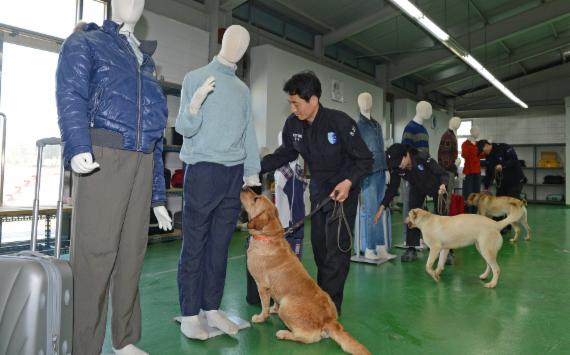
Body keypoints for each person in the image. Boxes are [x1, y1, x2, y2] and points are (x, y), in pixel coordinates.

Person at [56, 0, 171, 354]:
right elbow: (71, 94)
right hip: (104, 156)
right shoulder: (86, 43)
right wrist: (77, 145)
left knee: (132, 255)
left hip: (142, 160)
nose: (134, 2)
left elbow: (155, 135)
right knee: (94, 258)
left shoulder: (145, 62)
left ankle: (125, 341)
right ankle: (84, 346)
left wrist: (158, 197)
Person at [261, 71, 373, 313]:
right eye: (291, 103)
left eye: (296, 103)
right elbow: (286, 153)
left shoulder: (340, 123)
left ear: (313, 100)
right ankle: (323, 299)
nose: (293, 109)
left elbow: (365, 160)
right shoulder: (293, 124)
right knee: (320, 249)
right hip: (318, 193)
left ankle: (329, 309)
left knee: (337, 252)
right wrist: (254, 168)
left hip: (343, 194)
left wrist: (348, 183)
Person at [175, 25, 260, 340]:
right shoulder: (195, 78)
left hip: (233, 174)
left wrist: (252, 169)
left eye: (245, 43)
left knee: (221, 246)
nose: (238, 45)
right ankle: (188, 312)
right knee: (195, 244)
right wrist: (194, 107)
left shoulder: (242, 89)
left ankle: (211, 307)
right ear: (222, 41)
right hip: (203, 170)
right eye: (234, 40)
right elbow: (184, 127)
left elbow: (248, 131)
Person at [374, 144, 448, 263]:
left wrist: (444, 184)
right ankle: (411, 248)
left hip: (438, 186)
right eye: (395, 163)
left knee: (442, 217)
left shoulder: (422, 157)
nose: (398, 165)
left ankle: (447, 250)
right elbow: (392, 189)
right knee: (412, 213)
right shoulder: (398, 169)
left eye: (399, 161)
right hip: (417, 187)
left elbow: (442, 173)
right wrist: (381, 208)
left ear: (406, 154)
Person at [355, 92, 395, 260]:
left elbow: (382, 148)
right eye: (363, 100)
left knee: (380, 209)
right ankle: (370, 248)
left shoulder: (377, 125)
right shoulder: (357, 126)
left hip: (380, 171)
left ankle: (380, 246)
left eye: (369, 99)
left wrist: (386, 169)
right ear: (358, 103)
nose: (366, 102)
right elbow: (356, 151)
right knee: (371, 211)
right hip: (368, 174)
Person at [461, 126, 483, 213]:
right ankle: (467, 213)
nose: (478, 133)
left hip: (477, 171)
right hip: (469, 171)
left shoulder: (478, 144)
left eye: (479, 131)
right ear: (472, 132)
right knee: (468, 194)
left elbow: (482, 155)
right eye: (477, 131)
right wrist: (475, 153)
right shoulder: (465, 144)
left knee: (477, 193)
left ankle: (474, 213)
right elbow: (464, 155)